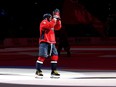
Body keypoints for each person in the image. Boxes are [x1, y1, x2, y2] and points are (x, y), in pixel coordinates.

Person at [35, 9, 62, 78]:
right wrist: (54, 19)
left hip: (52, 42)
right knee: (42, 56)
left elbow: (58, 27)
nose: (51, 18)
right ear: (47, 17)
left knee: (55, 56)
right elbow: (49, 26)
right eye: (50, 17)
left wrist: (58, 20)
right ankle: (38, 71)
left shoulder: (51, 22)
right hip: (44, 42)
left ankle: (53, 71)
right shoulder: (43, 22)